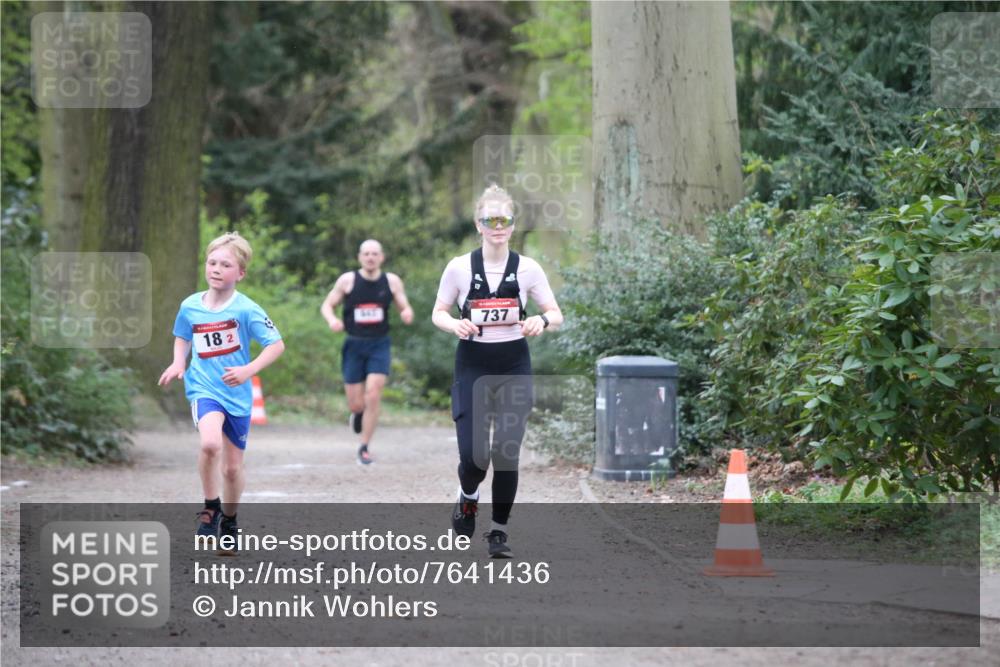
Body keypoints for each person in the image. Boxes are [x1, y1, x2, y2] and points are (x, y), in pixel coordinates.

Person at [432, 184, 563, 557]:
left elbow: (556, 314)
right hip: (472, 364)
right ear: (479, 224)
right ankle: (468, 497)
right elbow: (438, 312)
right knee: (475, 458)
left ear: (512, 224)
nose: (498, 226)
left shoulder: (527, 268)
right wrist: (452, 325)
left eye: (504, 219)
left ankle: (499, 532)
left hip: (513, 365)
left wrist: (541, 320)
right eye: (490, 220)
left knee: (506, 451)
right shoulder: (458, 267)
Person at [158, 232, 285, 555]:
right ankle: (211, 505)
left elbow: (276, 344)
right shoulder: (190, 305)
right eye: (211, 262)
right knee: (210, 443)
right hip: (204, 388)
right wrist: (177, 362)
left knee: (231, 468)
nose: (216, 268)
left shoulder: (247, 309)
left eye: (225, 264)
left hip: (237, 394)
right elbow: (181, 335)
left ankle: (229, 520)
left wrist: (248, 370)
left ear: (240, 273)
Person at [321, 239, 414, 465]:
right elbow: (326, 305)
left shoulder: (391, 282)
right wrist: (332, 320)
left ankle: (364, 446)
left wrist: (407, 312)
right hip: (354, 344)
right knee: (356, 402)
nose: (370, 257)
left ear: (381, 257)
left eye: (374, 254)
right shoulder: (348, 280)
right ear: (360, 257)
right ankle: (357, 413)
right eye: (366, 254)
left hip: (379, 344)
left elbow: (404, 304)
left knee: (373, 393)